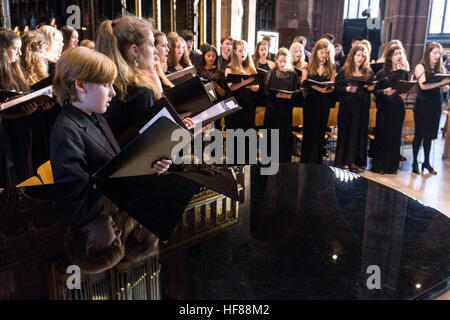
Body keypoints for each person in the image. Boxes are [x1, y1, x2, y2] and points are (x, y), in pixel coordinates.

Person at [50, 47, 171, 273]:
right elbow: (94, 184)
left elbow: (110, 166)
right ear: (81, 85)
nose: (113, 93)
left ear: (91, 246)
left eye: (114, 241)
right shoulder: (67, 131)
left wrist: (148, 162)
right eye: (107, 85)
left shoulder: (92, 116)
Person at [96, 16, 164, 144]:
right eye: (151, 44)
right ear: (134, 50)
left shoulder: (101, 87)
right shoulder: (140, 91)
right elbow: (152, 145)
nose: (155, 51)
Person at [334, 45, 374, 172]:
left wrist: (370, 88)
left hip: (361, 108)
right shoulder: (344, 71)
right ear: (352, 56)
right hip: (347, 107)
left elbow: (371, 88)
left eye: (363, 56)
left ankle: (353, 162)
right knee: (345, 134)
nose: (360, 58)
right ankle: (343, 162)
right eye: (358, 55)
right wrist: (347, 89)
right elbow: (336, 89)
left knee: (357, 135)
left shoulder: (368, 72)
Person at [412, 42, 450, 174]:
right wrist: (440, 83)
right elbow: (423, 86)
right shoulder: (420, 67)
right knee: (419, 134)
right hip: (423, 104)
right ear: (428, 53)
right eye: (435, 52)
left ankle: (426, 163)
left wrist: (446, 84)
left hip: (435, 104)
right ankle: (415, 163)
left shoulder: (441, 69)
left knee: (429, 135)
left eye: (439, 53)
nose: (437, 55)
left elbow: (445, 88)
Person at [371, 45, 409, 174]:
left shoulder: (404, 73)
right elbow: (375, 91)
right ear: (390, 57)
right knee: (383, 135)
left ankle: (392, 166)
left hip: (398, 108)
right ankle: (380, 165)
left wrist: (405, 94)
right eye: (396, 54)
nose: (399, 56)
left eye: (400, 54)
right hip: (385, 108)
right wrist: (384, 91)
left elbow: (405, 89)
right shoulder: (382, 73)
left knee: (394, 136)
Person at [300, 38, 336, 164]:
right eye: (322, 53)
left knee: (320, 130)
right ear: (316, 52)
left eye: (326, 53)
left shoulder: (331, 67)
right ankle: (306, 158)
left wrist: (323, 91)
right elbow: (303, 85)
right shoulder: (307, 66)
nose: (324, 56)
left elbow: (332, 87)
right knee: (309, 129)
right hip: (310, 101)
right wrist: (313, 86)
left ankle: (317, 160)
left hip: (323, 102)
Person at [264, 48, 299, 162]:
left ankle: (283, 161)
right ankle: (270, 160)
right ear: (276, 61)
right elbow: (265, 91)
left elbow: (297, 92)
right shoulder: (271, 73)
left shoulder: (293, 74)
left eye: (285, 61)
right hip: (273, 109)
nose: (283, 63)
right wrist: (276, 95)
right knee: (272, 135)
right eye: (280, 61)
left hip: (286, 109)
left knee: (284, 136)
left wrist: (290, 96)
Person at [224, 39, 259, 131]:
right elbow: (231, 87)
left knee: (247, 133)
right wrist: (244, 83)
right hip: (235, 104)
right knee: (235, 133)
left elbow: (257, 88)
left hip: (248, 104)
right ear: (235, 51)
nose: (243, 52)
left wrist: (249, 86)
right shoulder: (229, 68)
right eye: (240, 50)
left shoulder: (251, 67)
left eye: (245, 50)